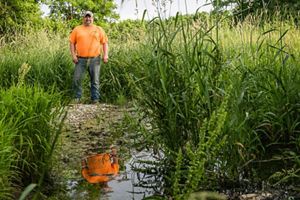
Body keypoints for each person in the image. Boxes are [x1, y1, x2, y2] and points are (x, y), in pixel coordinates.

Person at [69, 11, 108, 104]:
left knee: (95, 80)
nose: (88, 19)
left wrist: (106, 55)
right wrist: (73, 55)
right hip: (80, 59)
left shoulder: (99, 29)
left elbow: (105, 42)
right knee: (77, 78)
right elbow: (72, 43)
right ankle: (77, 98)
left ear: (92, 18)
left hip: (95, 58)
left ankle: (95, 99)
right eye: (86, 17)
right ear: (83, 18)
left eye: (89, 17)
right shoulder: (77, 29)